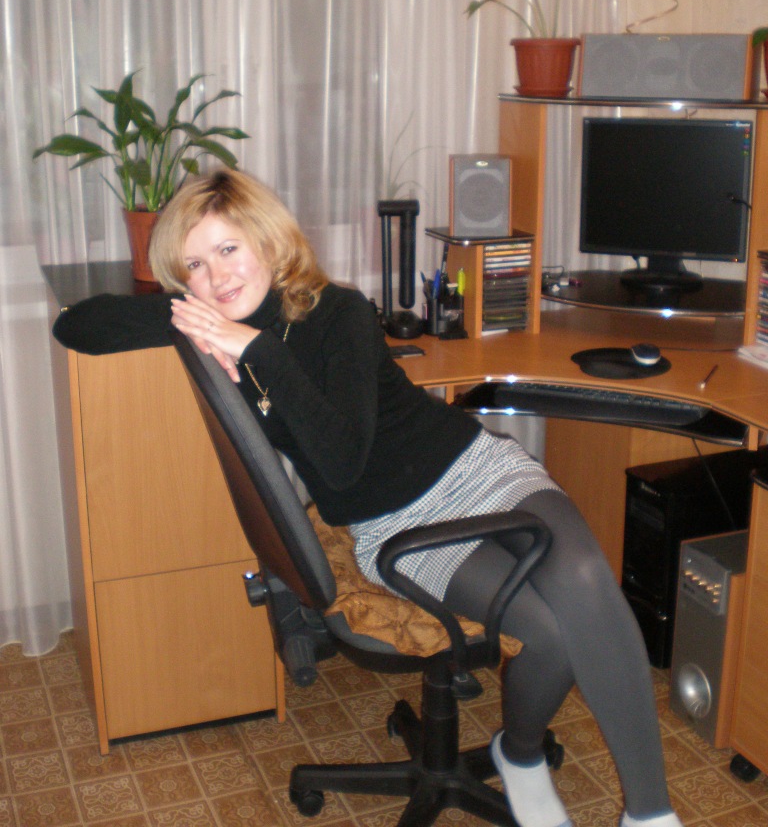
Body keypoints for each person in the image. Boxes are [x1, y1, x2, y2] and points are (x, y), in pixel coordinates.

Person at [54, 168, 683, 827]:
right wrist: (185, 315)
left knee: (584, 577)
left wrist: (259, 351)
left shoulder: (340, 313)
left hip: (479, 469)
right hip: (397, 525)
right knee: (545, 635)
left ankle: (651, 815)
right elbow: (77, 326)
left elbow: (343, 449)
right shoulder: (213, 319)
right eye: (194, 265)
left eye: (228, 249)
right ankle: (520, 758)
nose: (217, 275)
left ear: (267, 240)